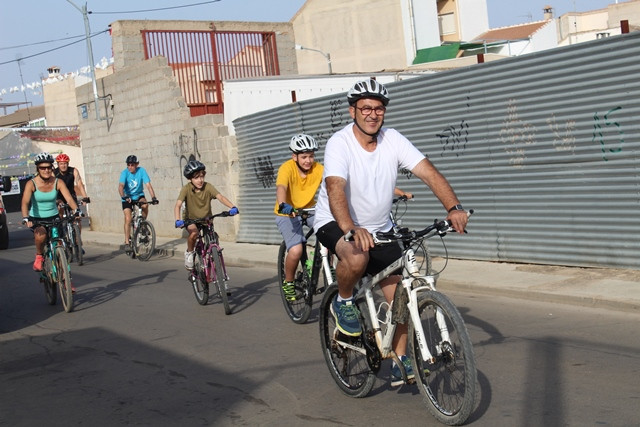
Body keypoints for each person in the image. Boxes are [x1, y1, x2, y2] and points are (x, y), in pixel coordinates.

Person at [313, 79, 469, 386]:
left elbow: (429, 172)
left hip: (381, 228)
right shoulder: (339, 143)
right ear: (352, 111)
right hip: (335, 221)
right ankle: (343, 301)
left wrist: (453, 207)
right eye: (366, 108)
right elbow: (335, 190)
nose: (373, 114)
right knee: (356, 259)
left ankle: (399, 358)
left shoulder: (393, 139)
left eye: (379, 108)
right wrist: (350, 229)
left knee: (400, 294)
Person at [274, 134, 324, 300]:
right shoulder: (286, 168)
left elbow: (334, 183)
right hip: (287, 211)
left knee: (331, 235)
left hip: (310, 209)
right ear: (294, 156)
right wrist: (283, 204)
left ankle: (322, 267)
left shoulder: (319, 168)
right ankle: (288, 282)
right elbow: (281, 187)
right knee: (296, 250)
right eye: (303, 157)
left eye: (311, 156)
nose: (308, 161)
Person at [174, 160, 239, 270]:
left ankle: (212, 256)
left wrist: (232, 207)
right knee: (194, 234)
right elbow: (178, 205)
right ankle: (189, 253)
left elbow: (220, 197)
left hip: (206, 219)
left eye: (202, 177)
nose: (200, 180)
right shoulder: (186, 189)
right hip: (191, 220)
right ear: (190, 179)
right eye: (196, 178)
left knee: (213, 237)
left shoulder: (208, 187)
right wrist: (177, 220)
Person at [21, 152, 80, 271]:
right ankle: (39, 256)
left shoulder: (58, 182)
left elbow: (69, 198)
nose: (46, 170)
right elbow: (25, 202)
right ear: (38, 168)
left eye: (49, 167)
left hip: (54, 217)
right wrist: (26, 217)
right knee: (41, 235)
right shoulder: (31, 184)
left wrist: (76, 210)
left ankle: (65, 278)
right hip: (37, 219)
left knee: (61, 245)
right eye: (43, 168)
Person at [118, 155, 158, 247]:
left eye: (132, 165)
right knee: (128, 219)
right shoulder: (124, 173)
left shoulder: (141, 171)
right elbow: (120, 186)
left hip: (139, 195)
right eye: (128, 165)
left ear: (137, 164)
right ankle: (127, 242)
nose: (130, 167)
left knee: (145, 205)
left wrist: (154, 197)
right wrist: (123, 196)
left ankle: (143, 224)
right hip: (127, 197)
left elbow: (148, 185)